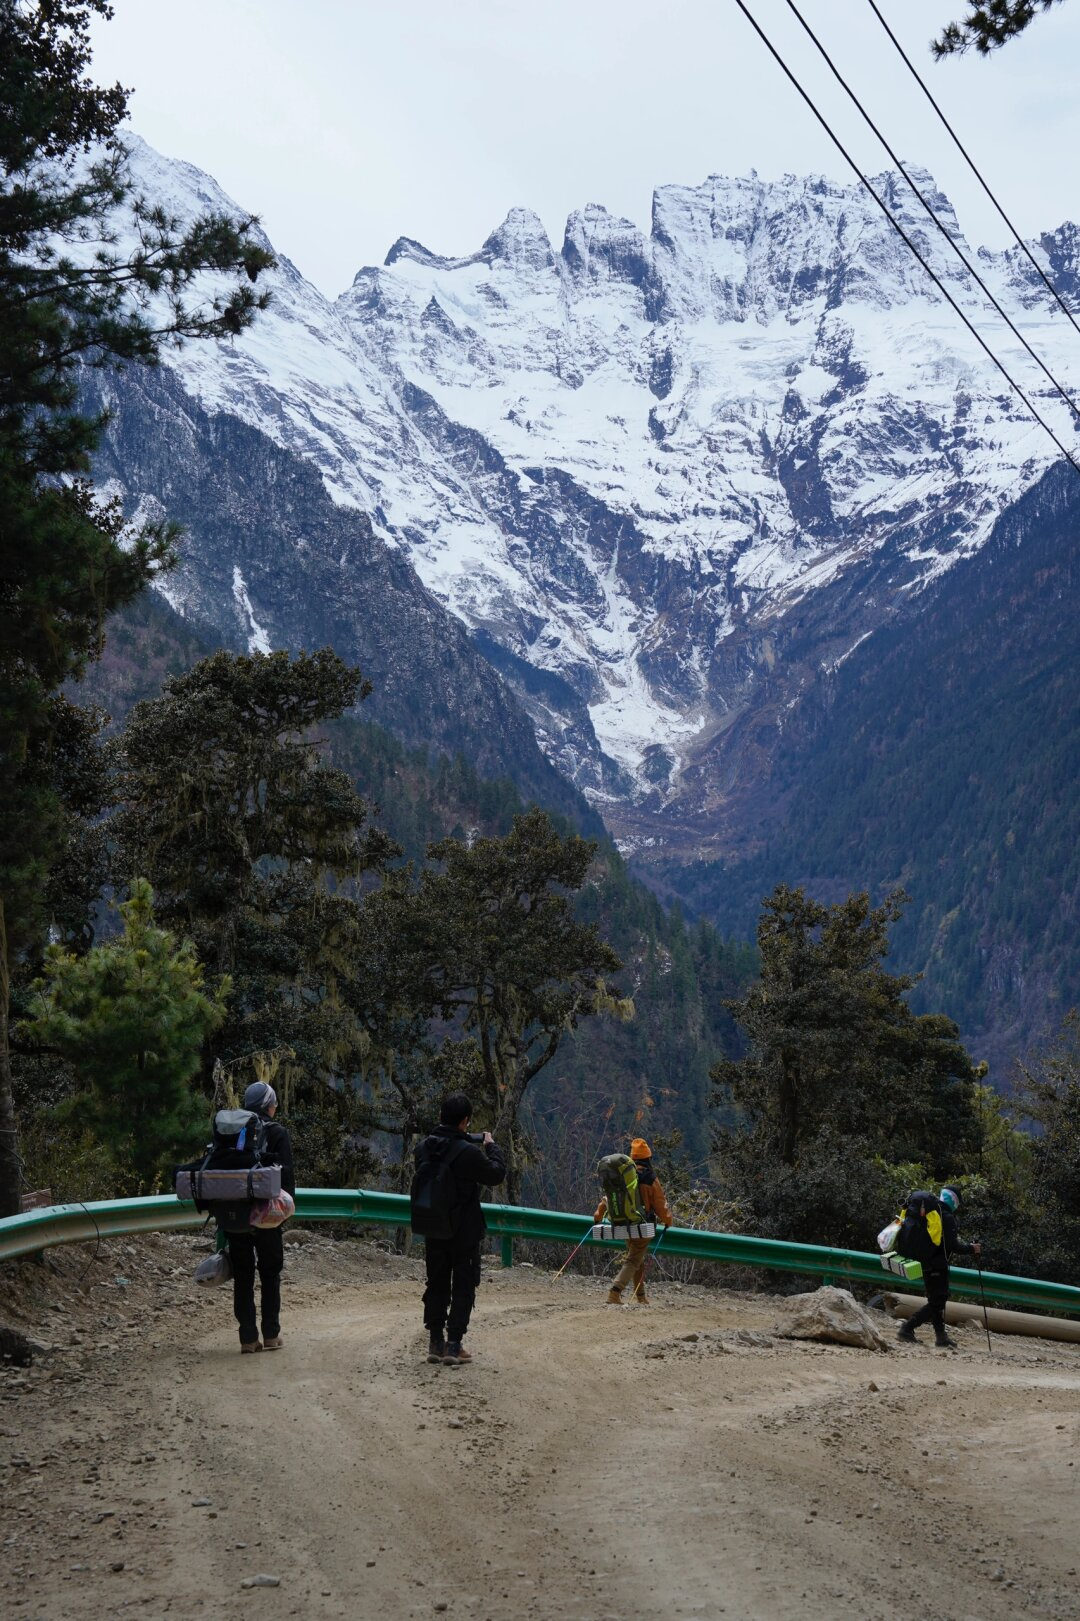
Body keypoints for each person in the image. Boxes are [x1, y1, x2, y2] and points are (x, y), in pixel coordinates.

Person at [414, 1093, 506, 1366]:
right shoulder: (467, 1153)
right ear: (465, 1121)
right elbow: (496, 1174)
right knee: (463, 1285)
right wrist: (491, 1147)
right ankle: (454, 1345)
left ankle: (435, 1342)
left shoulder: (422, 1149)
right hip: (463, 1231)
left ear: (441, 1116)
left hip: (433, 1226)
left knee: (436, 1283)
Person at [229, 1081, 295, 1355]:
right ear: (269, 1106)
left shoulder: (232, 1131)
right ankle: (270, 1334)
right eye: (275, 1103)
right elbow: (286, 1176)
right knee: (270, 1272)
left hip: (235, 1213)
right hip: (267, 1214)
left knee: (243, 1274)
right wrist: (285, 1210)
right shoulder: (278, 1132)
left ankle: (247, 1338)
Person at [897, 1184, 982, 1350]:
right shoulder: (947, 1217)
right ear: (954, 1201)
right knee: (938, 1300)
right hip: (937, 1264)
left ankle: (941, 1337)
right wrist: (972, 1248)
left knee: (935, 1299)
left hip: (925, 1262)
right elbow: (953, 1246)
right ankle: (907, 1328)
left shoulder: (932, 1212)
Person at [595, 1136, 673, 1306]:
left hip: (623, 1222)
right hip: (642, 1225)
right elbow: (660, 1204)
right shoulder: (650, 1178)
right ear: (648, 1158)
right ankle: (615, 1292)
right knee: (633, 1260)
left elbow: (607, 1197)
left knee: (637, 1259)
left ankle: (641, 1297)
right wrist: (668, 1220)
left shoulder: (624, 1175)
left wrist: (598, 1215)